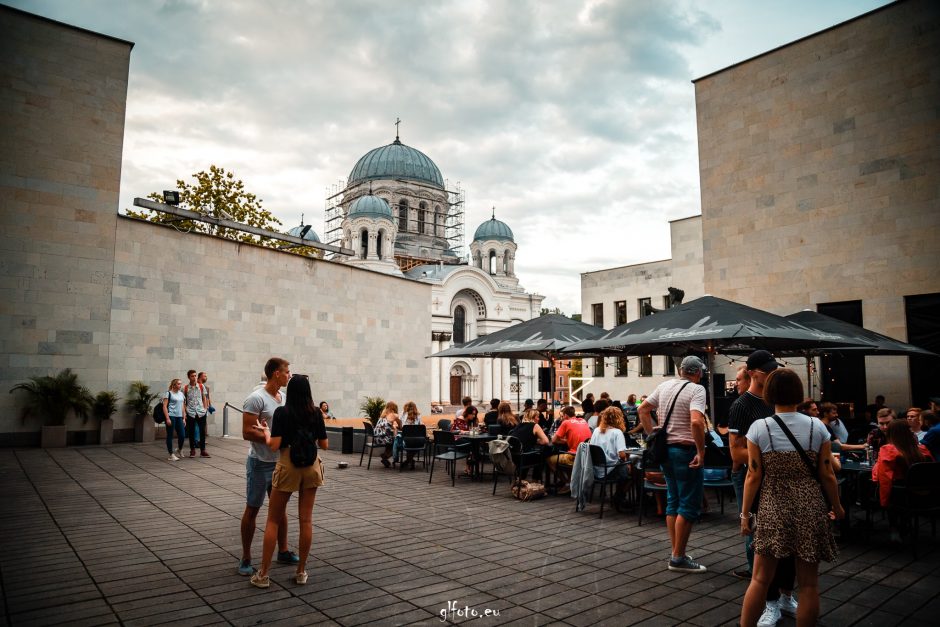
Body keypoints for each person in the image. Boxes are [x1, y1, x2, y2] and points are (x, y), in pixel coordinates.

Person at [739, 368, 843, 627]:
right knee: (808, 583)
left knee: (760, 578)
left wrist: (744, 514)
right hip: (810, 504)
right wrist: (837, 506)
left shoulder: (759, 428)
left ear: (770, 393)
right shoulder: (817, 426)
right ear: (798, 393)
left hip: (773, 504)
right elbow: (828, 473)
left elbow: (753, 476)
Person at [250, 374, 329, 588]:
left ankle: (264, 574)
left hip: (287, 465)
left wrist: (266, 431)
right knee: (306, 520)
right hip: (311, 467)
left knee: (273, 520)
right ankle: (301, 571)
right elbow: (325, 443)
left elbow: (274, 445)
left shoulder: (282, 412)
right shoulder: (315, 413)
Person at [638, 355, 708, 573]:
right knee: (688, 504)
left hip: (665, 452)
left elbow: (643, 409)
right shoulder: (697, 390)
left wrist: (653, 434)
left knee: (673, 501)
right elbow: (697, 421)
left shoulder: (664, 386)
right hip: (684, 451)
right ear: (698, 372)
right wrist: (700, 450)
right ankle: (678, 557)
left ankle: (676, 551)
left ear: (681, 370)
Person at [239, 357, 298, 576]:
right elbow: (246, 431)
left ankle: (282, 551)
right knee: (252, 509)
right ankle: (246, 557)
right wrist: (272, 438)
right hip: (259, 463)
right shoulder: (255, 399)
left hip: (280, 463)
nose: (289, 375)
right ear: (276, 373)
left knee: (279, 509)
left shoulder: (283, 398)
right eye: (287, 371)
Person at [872, 418, 933, 540]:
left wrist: (883, 501)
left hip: (900, 496)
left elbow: (883, 476)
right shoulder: (922, 449)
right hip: (925, 495)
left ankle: (894, 527)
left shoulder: (888, 450)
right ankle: (905, 525)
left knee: (885, 488)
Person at [589, 406, 630, 501]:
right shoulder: (617, 432)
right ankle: (619, 496)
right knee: (634, 472)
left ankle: (618, 496)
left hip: (596, 470)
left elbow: (592, 448)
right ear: (619, 418)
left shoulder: (596, 430)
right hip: (609, 471)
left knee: (626, 469)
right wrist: (627, 463)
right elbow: (622, 455)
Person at [548, 405, 591, 494]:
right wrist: (567, 440)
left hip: (574, 456)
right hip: (586, 455)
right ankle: (570, 481)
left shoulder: (566, 422)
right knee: (565, 457)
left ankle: (567, 482)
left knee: (549, 460)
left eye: (562, 416)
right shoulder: (583, 421)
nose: (562, 418)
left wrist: (564, 441)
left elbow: (554, 440)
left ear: (566, 416)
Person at [509, 408, 550, 481]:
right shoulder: (535, 426)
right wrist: (536, 441)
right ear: (533, 417)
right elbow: (546, 441)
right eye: (537, 417)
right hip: (524, 457)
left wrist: (533, 440)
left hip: (514, 457)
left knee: (528, 452)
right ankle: (535, 480)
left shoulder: (519, 425)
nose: (538, 419)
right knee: (542, 456)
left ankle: (521, 479)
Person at [184, 369, 210, 458]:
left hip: (201, 412)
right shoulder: (186, 388)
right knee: (191, 432)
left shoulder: (201, 386)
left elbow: (204, 398)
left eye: (195, 376)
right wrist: (185, 412)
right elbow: (184, 401)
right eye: (192, 376)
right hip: (190, 412)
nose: (194, 377)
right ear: (189, 377)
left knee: (202, 431)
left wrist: (205, 409)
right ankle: (192, 450)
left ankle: (203, 450)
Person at [162, 378, 185, 461]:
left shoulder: (181, 394)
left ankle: (179, 449)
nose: (180, 385)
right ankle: (171, 454)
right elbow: (164, 406)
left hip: (179, 417)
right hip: (171, 415)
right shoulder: (168, 393)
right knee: (170, 435)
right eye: (178, 384)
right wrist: (167, 418)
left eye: (180, 384)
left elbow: (182, 407)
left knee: (182, 435)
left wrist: (184, 418)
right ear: (174, 385)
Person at [374, 402, 399, 468]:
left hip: (376, 438)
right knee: (397, 444)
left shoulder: (382, 415)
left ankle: (385, 456)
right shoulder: (393, 415)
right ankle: (385, 456)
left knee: (390, 442)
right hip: (384, 438)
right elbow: (397, 425)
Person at [400, 401, 423, 469]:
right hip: (417, 441)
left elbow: (401, 426)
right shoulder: (418, 415)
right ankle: (410, 460)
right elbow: (420, 426)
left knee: (408, 443)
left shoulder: (403, 414)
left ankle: (408, 461)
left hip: (405, 440)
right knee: (417, 443)